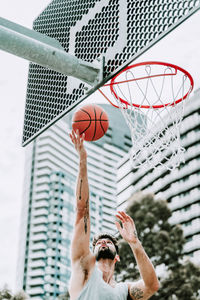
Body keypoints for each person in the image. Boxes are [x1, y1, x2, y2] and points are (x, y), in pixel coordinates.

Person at [69, 129, 159, 300]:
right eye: (99, 243)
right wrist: (82, 161)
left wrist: (134, 243)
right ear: (91, 252)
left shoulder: (124, 290)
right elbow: (82, 211)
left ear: (117, 256)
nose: (103, 242)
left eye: (108, 242)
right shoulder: (84, 268)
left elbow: (152, 285)